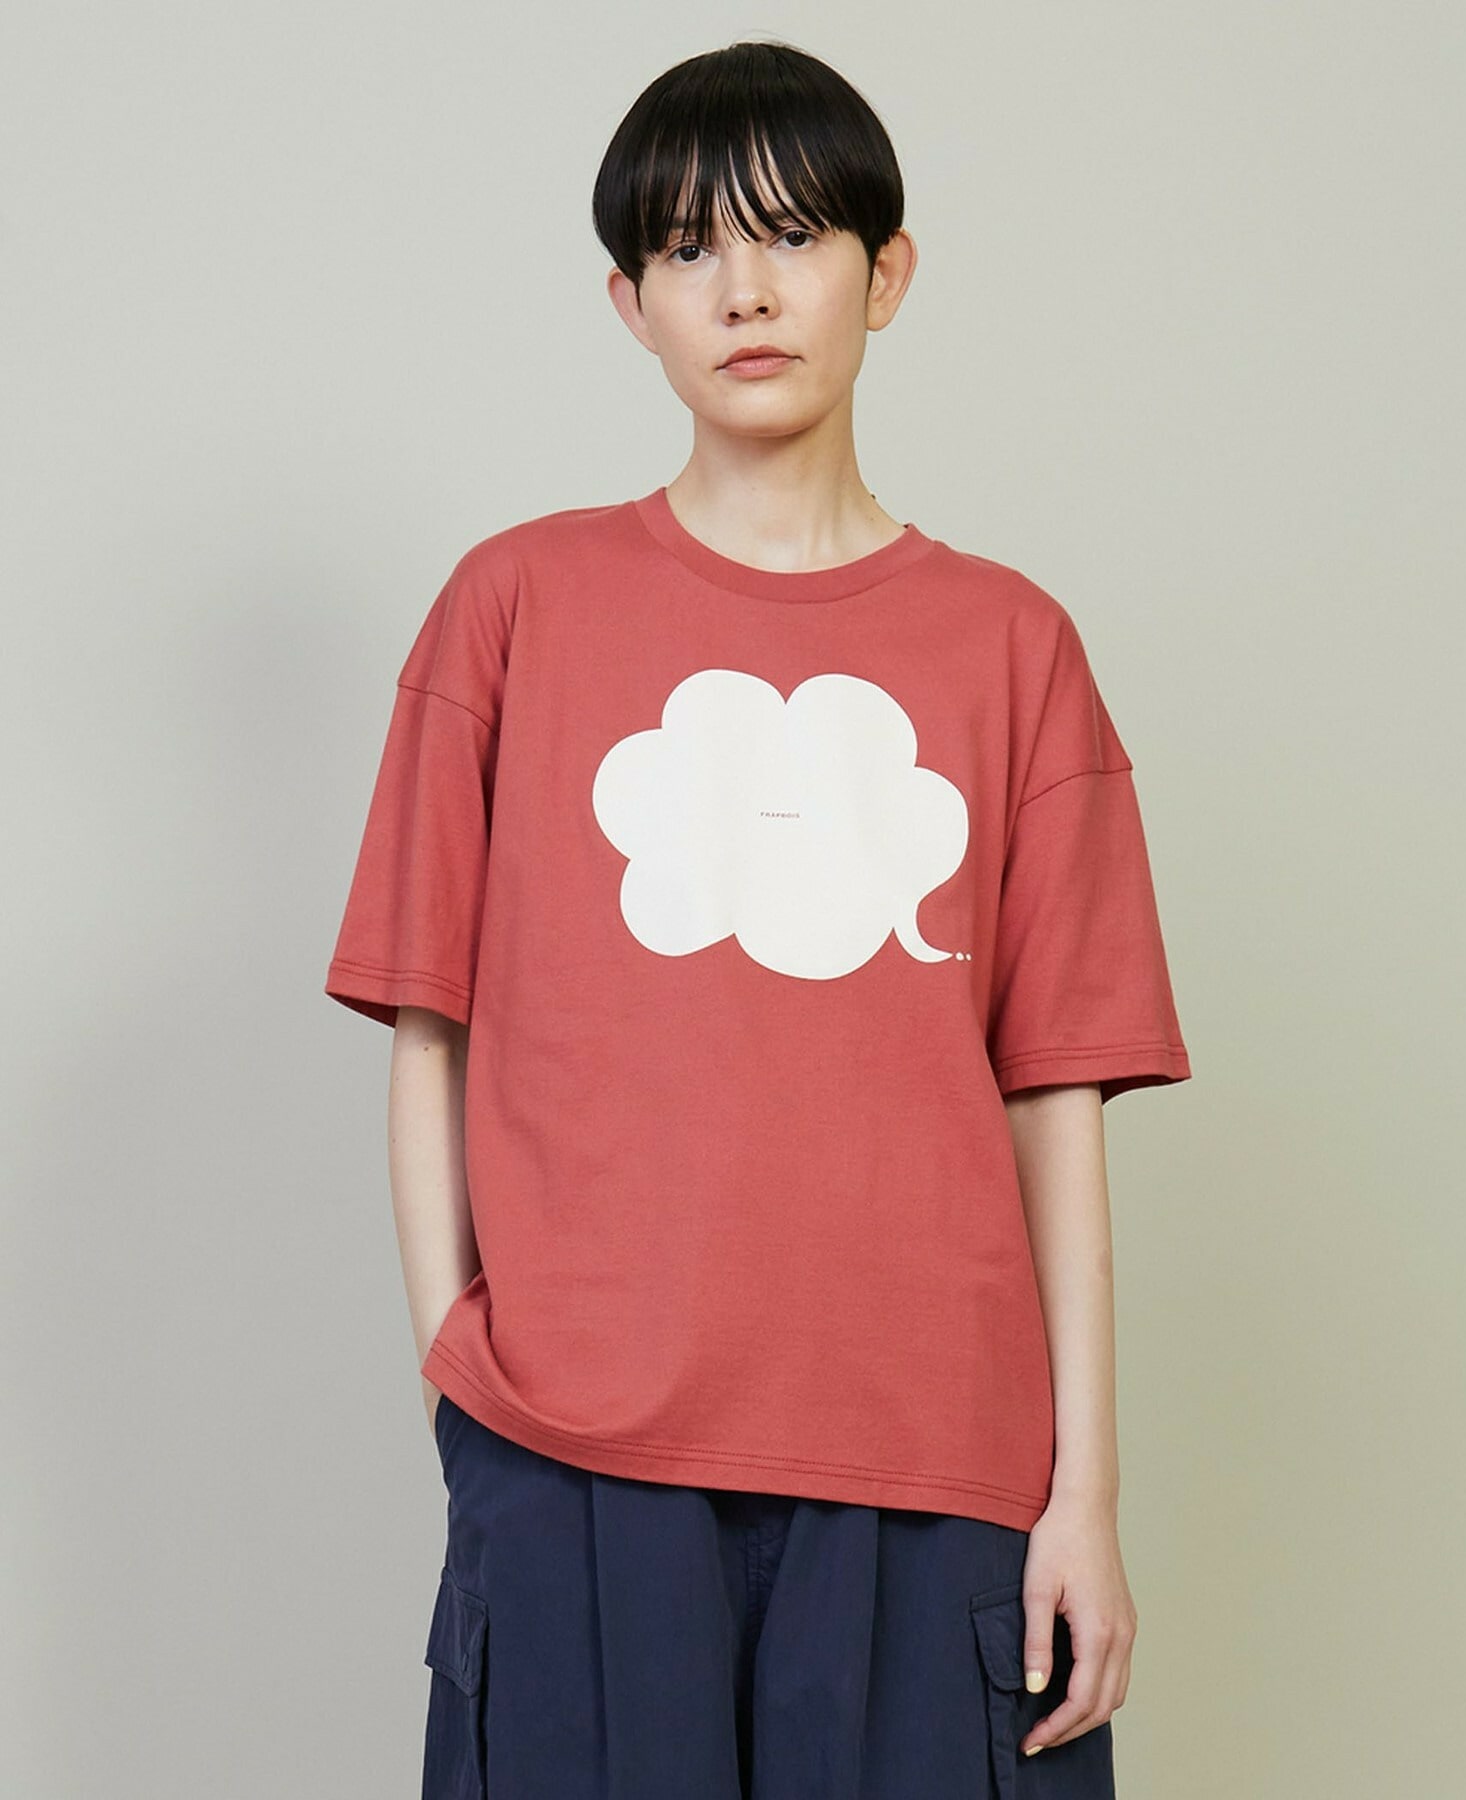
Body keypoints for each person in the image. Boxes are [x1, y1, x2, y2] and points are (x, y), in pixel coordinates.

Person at [324, 37, 1191, 1800]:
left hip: (937, 1459)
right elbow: (429, 1031)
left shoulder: (1013, 648)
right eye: (688, 248)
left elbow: (1057, 1098)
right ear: (629, 304)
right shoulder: (513, 607)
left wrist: (1084, 1495)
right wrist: (455, 1383)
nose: (745, 290)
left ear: (888, 273)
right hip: (575, 1447)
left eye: (792, 236)